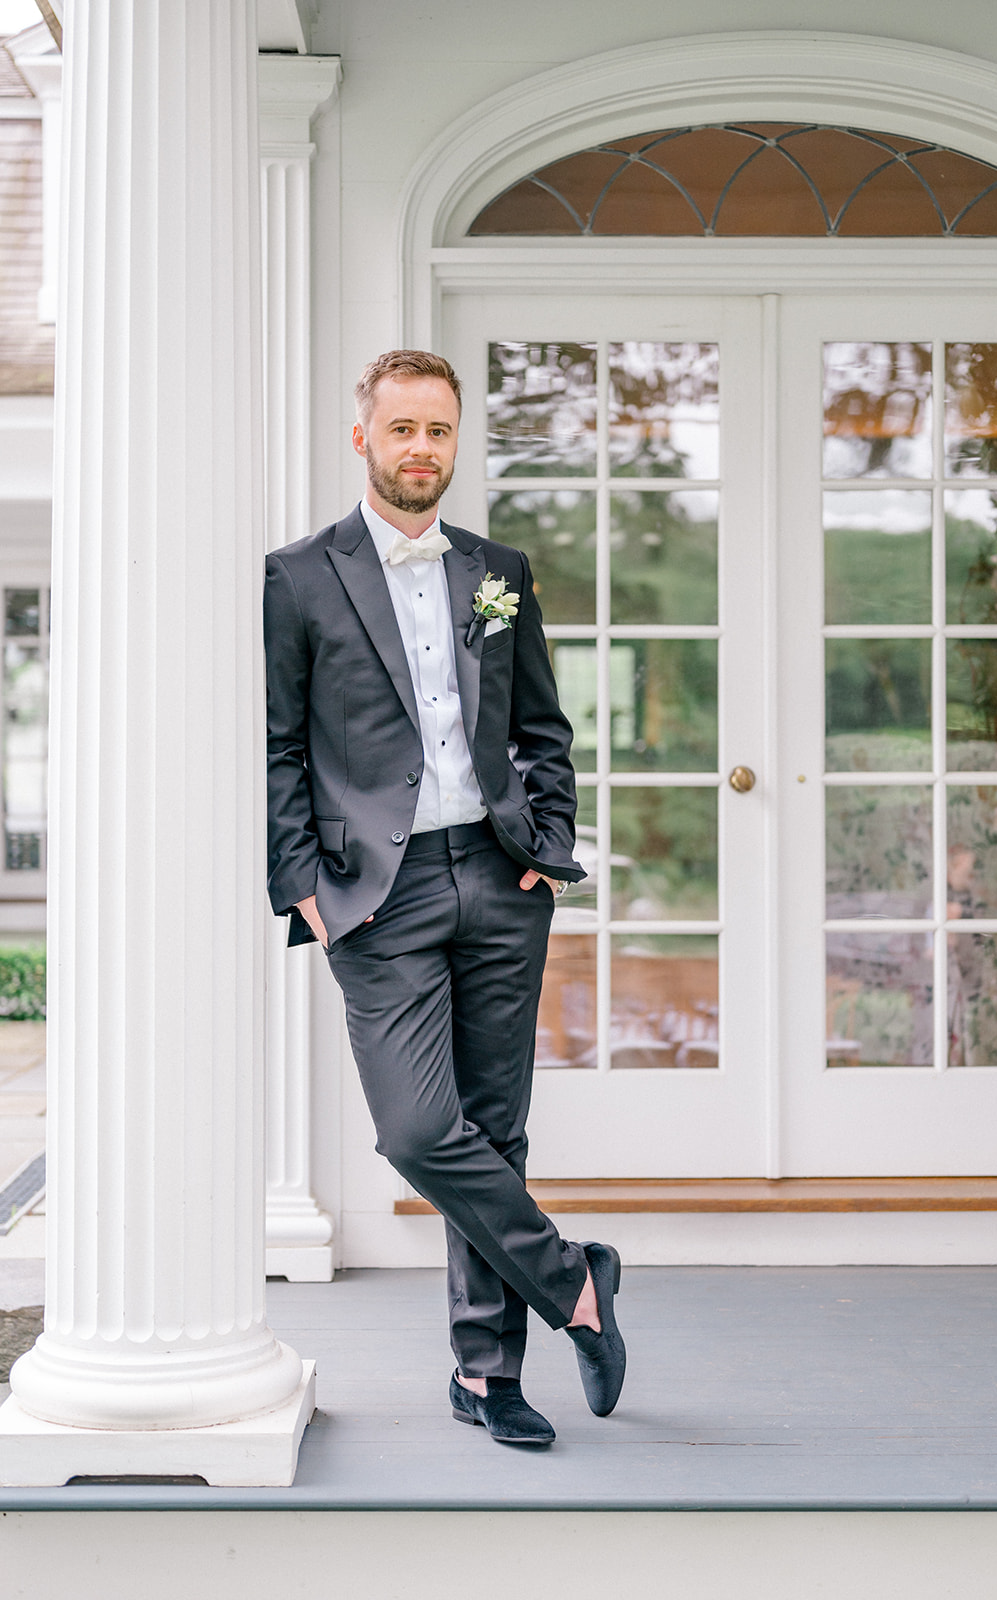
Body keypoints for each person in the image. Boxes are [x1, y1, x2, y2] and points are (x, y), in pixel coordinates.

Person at [263, 349, 625, 1445]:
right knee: (422, 1128)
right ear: (362, 436)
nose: (422, 448)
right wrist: (302, 886)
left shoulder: (496, 568)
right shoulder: (298, 575)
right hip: (374, 891)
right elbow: (279, 746)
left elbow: (542, 729)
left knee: (494, 1130)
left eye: (439, 430)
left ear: (455, 442)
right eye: (403, 428)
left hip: (498, 876)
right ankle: (574, 1279)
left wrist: (544, 847)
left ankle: (484, 1375)